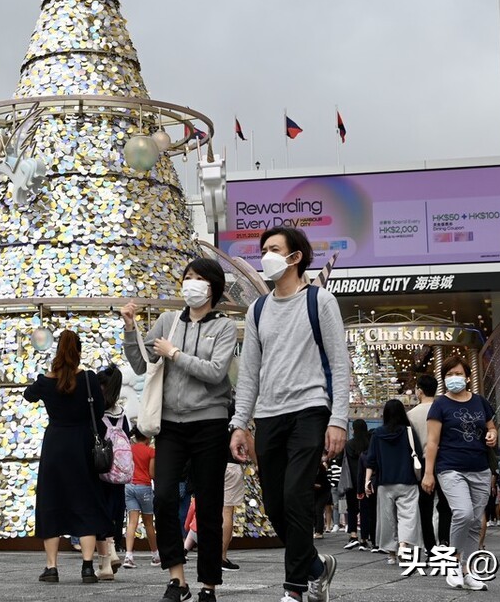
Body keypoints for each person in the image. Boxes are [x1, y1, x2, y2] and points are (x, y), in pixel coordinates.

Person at [229, 227, 351, 602]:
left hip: (309, 410)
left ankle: (294, 589)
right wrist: (239, 424)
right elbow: (249, 372)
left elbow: (340, 363)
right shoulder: (258, 309)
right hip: (268, 415)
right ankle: (316, 567)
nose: (266, 255)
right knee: (275, 505)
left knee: (296, 497)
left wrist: (338, 419)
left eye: (274, 249)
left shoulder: (320, 301)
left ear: (295, 257)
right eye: (263, 249)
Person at [122, 257, 238, 602]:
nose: (191, 283)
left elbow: (216, 372)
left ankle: (208, 585)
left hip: (210, 422)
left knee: (209, 505)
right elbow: (141, 364)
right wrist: (130, 328)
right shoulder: (168, 321)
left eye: (198, 278)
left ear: (212, 287)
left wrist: (175, 354)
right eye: (188, 277)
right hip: (170, 424)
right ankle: (177, 578)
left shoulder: (224, 327)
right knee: (163, 496)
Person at [24, 329, 111, 584]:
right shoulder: (88, 379)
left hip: (55, 445)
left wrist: (45, 378)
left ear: (57, 351)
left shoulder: (46, 381)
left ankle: (51, 567)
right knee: (86, 501)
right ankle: (87, 567)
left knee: (51, 501)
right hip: (82, 445)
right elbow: (100, 409)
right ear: (79, 351)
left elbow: (28, 395)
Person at [422, 355, 497, 590]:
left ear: (467, 377)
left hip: (480, 468)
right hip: (450, 467)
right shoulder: (439, 405)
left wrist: (492, 434)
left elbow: (491, 426)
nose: (454, 378)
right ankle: (453, 564)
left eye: (458, 374)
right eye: (449, 375)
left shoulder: (480, 402)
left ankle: (468, 570)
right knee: (463, 513)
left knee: (475, 522)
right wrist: (428, 473)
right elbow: (432, 442)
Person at [363, 399, 422, 563]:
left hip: (385, 482)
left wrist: (367, 481)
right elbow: (418, 453)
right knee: (408, 516)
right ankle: (403, 545)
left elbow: (371, 460)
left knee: (387, 518)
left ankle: (391, 553)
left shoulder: (377, 434)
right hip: (407, 480)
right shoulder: (408, 432)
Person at [95, 364, 129, 580]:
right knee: (115, 512)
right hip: (119, 473)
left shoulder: (98, 415)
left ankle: (107, 562)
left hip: (101, 471)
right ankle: (113, 550)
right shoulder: (123, 415)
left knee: (99, 513)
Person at [407, 375, 444, 552]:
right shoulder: (442, 409)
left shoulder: (411, 415)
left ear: (419, 391)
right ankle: (444, 541)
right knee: (445, 504)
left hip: (422, 461)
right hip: (443, 459)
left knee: (425, 506)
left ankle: (430, 546)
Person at [123, 431, 157, 570]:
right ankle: (155, 555)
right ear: (147, 437)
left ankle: (128, 556)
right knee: (148, 523)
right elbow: (152, 474)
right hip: (144, 487)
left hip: (129, 486)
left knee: (132, 522)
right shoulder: (151, 452)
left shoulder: (129, 449)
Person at [339, 420, 369, 551]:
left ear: (353, 430)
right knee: (366, 510)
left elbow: (341, 460)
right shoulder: (369, 444)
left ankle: (353, 535)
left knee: (351, 508)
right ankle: (364, 539)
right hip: (366, 480)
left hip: (351, 481)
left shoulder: (348, 445)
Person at [220, 461, 245, 571]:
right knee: (227, 512)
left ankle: (213, 555)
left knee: (215, 510)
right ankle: (221, 557)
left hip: (211, 466)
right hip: (230, 466)